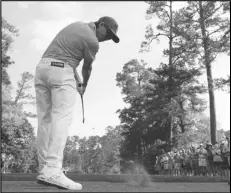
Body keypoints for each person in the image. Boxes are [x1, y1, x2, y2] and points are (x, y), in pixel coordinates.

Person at [34, 16, 120, 190]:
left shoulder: (76, 26)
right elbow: (87, 67)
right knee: (62, 118)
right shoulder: (93, 41)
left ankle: (44, 168)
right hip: (60, 73)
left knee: (45, 121)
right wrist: (84, 85)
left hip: (42, 69)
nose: (107, 38)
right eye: (108, 33)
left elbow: (66, 55)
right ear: (100, 25)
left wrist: (77, 79)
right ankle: (53, 169)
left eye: (111, 37)